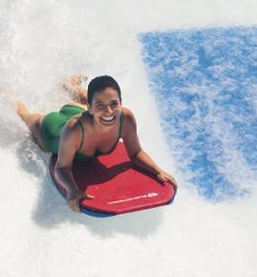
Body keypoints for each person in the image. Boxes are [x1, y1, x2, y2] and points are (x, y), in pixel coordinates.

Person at [17, 75, 177, 212]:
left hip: (81, 112)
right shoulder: (74, 130)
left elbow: (135, 153)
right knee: (25, 115)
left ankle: (70, 85)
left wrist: (158, 170)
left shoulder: (125, 118)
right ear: (90, 108)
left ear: (121, 103)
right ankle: (10, 96)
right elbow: (62, 167)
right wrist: (72, 189)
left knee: (101, 103)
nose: (109, 112)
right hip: (52, 131)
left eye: (114, 104)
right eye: (100, 106)